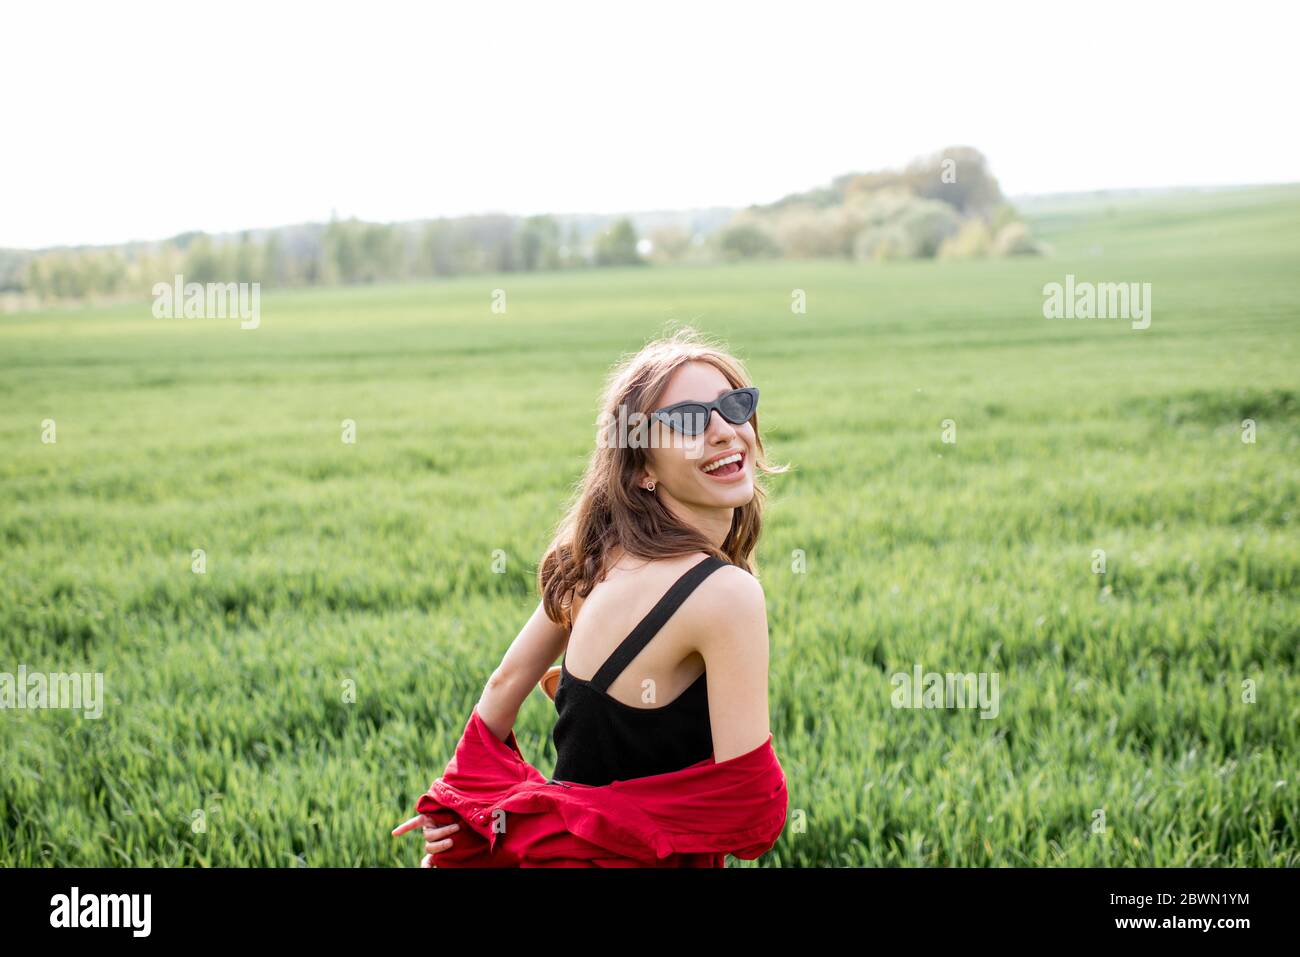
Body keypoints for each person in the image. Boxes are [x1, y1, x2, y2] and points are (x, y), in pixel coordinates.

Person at [394, 327, 785, 865]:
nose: (724, 432)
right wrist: (522, 816)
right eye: (690, 420)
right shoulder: (726, 595)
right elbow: (751, 813)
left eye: (734, 406)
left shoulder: (593, 558)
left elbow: (503, 685)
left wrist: (465, 802)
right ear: (642, 469)